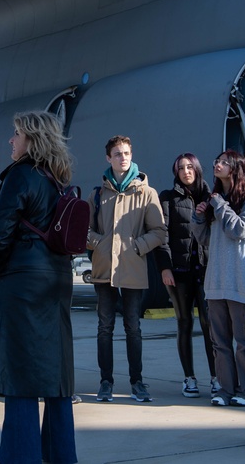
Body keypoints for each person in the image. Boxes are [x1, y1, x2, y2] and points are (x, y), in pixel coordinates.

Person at [0, 111, 77, 464]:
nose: (11, 139)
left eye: (17, 133)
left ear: (32, 139)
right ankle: (61, 455)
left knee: (18, 372)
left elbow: (0, 231)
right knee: (55, 373)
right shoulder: (58, 178)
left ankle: (19, 458)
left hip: (21, 282)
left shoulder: (21, 175)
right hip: (56, 279)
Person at [87, 135, 167, 403]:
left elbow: (159, 232)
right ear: (108, 158)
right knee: (104, 327)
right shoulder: (98, 194)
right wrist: (99, 243)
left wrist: (136, 247)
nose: (123, 158)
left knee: (133, 327)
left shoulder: (147, 193)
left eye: (127, 153)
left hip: (132, 267)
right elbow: (84, 231)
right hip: (103, 268)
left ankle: (137, 382)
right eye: (118, 154)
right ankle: (105, 381)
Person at [200, 150, 245, 408]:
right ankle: (225, 389)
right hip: (215, 283)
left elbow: (241, 230)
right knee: (220, 342)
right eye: (217, 161)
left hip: (239, 282)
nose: (217, 165)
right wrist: (198, 218)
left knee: (244, 343)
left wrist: (219, 205)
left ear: (236, 167)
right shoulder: (216, 200)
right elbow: (206, 240)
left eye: (224, 162)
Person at [155, 153, 217, 399]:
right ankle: (189, 378)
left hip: (207, 270)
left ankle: (216, 377)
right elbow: (163, 236)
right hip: (180, 272)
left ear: (197, 169)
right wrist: (165, 267)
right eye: (181, 168)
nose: (186, 171)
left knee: (209, 324)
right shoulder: (168, 198)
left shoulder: (213, 198)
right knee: (184, 323)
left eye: (190, 167)